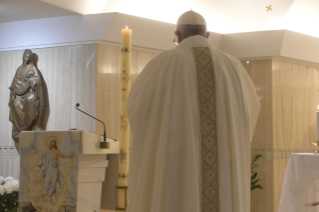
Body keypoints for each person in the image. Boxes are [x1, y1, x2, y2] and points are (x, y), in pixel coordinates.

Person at [126, 11, 261, 212]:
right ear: (208, 35)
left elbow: (138, 109)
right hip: (224, 160)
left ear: (177, 35)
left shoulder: (163, 63)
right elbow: (250, 110)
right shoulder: (232, 65)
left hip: (175, 159)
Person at [9, 49, 44, 153]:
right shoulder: (19, 69)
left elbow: (37, 83)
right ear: (23, 57)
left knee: (31, 99)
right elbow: (14, 82)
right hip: (19, 94)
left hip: (29, 94)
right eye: (25, 57)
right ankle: (19, 129)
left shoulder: (33, 69)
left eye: (29, 57)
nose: (27, 59)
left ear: (31, 59)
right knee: (15, 103)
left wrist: (31, 81)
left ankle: (29, 127)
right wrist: (16, 90)